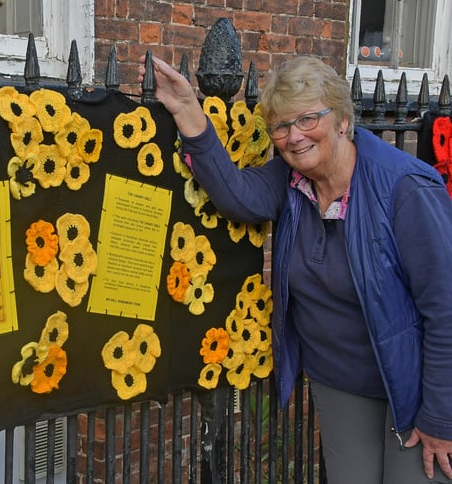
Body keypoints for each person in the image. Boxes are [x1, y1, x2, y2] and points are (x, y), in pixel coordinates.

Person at [138, 54, 452, 483]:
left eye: (308, 119)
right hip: (341, 381)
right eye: (281, 126)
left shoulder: (404, 190)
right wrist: (187, 110)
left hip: (415, 386)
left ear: (342, 120)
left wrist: (440, 416)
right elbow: (237, 195)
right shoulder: (289, 181)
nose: (294, 136)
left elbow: (447, 309)